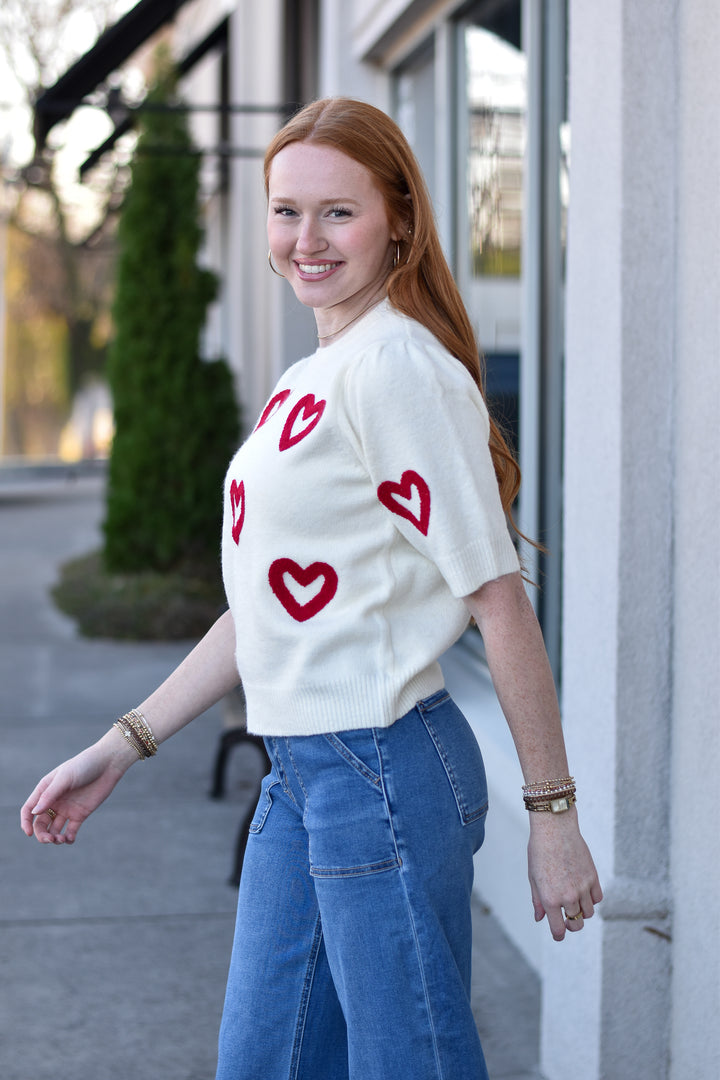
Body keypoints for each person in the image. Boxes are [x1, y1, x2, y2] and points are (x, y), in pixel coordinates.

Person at [21, 97, 602, 1080]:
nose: (307, 239)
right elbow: (263, 612)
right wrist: (122, 746)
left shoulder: (398, 371)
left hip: (382, 770)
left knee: (409, 1063)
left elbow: (499, 601)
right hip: (301, 775)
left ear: (398, 222)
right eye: (287, 211)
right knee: (263, 1062)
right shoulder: (316, 375)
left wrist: (553, 817)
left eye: (339, 212)